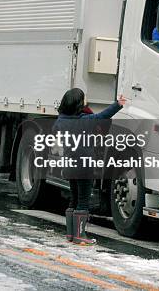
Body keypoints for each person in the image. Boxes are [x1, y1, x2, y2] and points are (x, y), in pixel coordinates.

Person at [53, 88, 126, 245]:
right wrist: (118, 104)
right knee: (83, 201)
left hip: (69, 165)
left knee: (73, 199)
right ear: (79, 103)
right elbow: (103, 116)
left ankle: (71, 235)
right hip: (84, 166)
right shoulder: (85, 121)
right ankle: (80, 235)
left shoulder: (60, 121)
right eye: (84, 99)